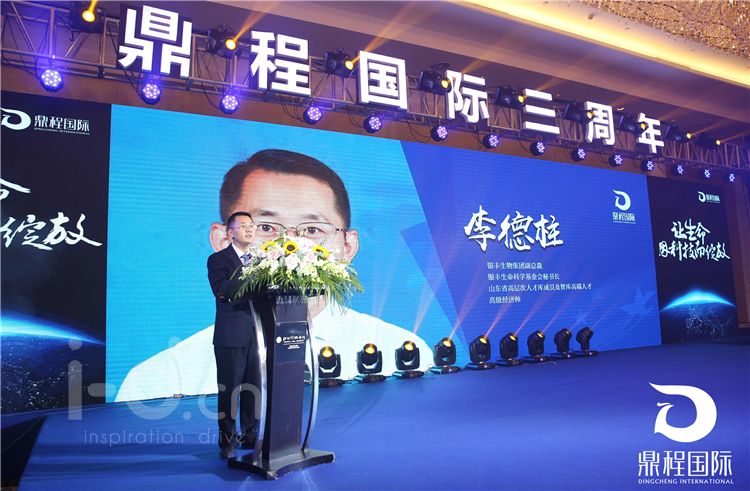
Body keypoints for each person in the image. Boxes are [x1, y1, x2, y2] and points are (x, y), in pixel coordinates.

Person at [115, 149, 432, 404]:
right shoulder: (162, 379)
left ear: (347, 246)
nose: (289, 247)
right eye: (265, 228)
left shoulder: (402, 352)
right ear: (223, 241)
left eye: (312, 230)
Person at [207, 211, 259, 459]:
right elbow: (222, 290)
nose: (250, 230)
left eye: (252, 226)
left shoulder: (261, 260)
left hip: (257, 333)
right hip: (230, 335)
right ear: (230, 233)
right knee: (229, 390)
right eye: (244, 226)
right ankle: (227, 440)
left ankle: (251, 435)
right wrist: (248, 269)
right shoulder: (218, 260)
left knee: (254, 388)